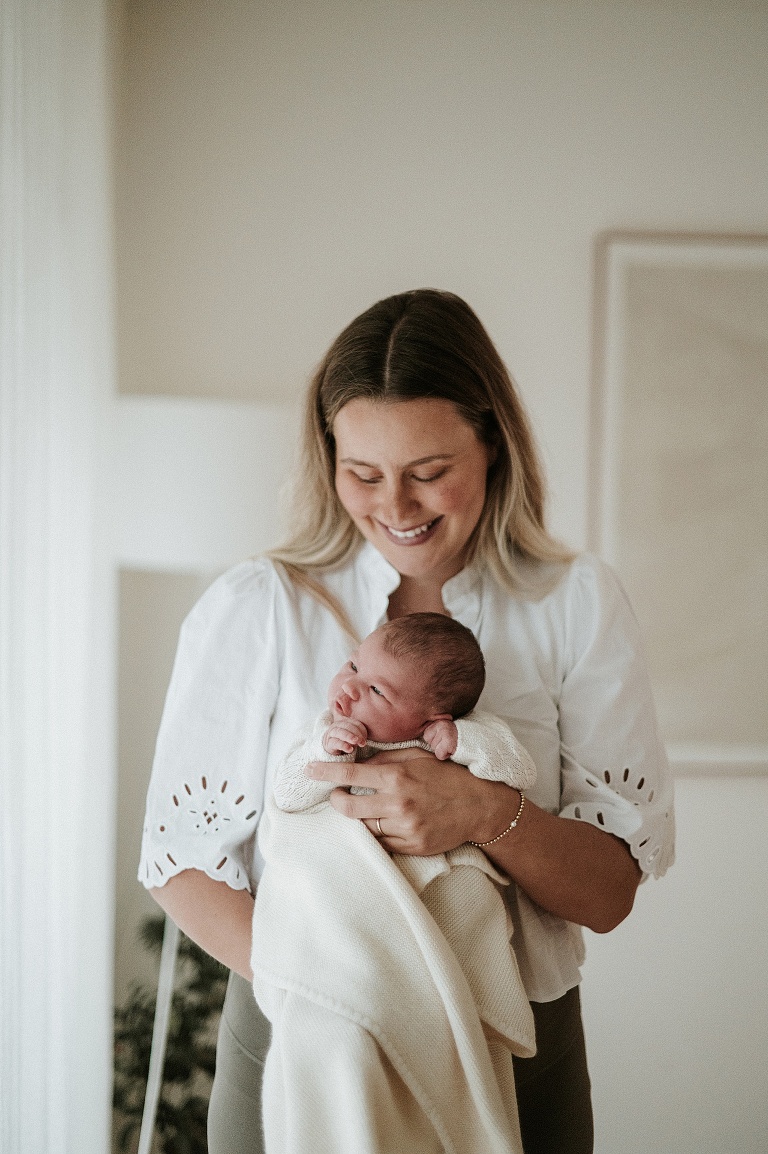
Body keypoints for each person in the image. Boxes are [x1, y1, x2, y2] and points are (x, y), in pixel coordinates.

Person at [139, 288, 675, 1154]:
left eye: (429, 471)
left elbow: (610, 890)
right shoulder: (259, 606)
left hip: (513, 1043)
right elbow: (181, 865)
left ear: (493, 443)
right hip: (301, 1031)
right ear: (328, 459)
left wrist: (480, 812)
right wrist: (342, 992)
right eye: (362, 473)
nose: (396, 504)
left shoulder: (576, 604)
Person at [255, 612, 539, 1152]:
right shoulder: (325, 732)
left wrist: (461, 743)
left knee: (467, 910)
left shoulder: (471, 735)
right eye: (353, 665)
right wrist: (324, 751)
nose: (348, 690)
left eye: (376, 691)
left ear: (430, 715)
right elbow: (288, 795)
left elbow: (517, 771)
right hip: (349, 902)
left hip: (435, 898)